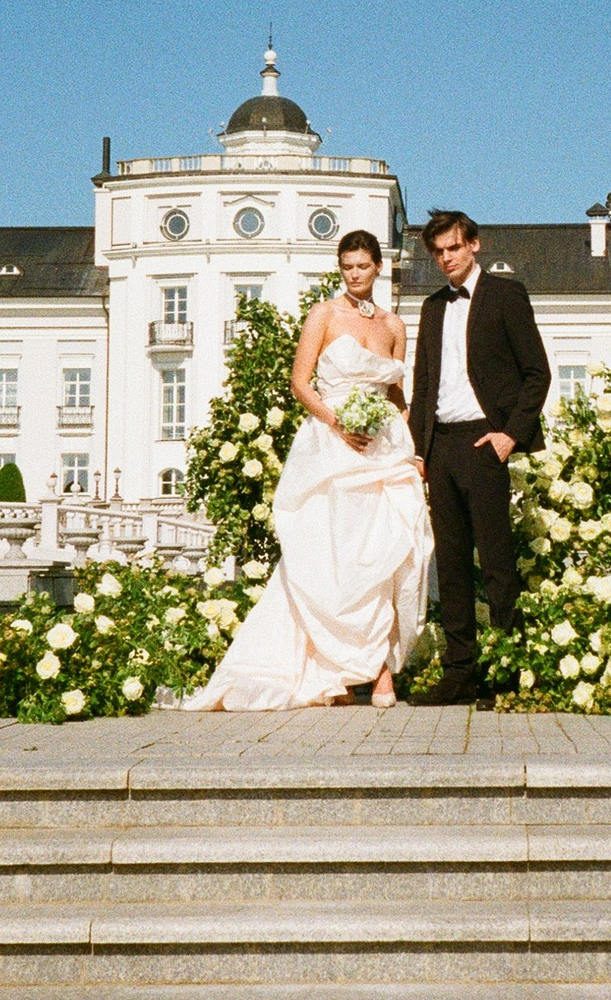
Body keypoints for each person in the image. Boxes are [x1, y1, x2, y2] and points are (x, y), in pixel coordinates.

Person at [184, 229, 434, 710]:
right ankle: (336, 669)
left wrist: (408, 442)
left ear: (378, 267)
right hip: (332, 444)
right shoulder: (323, 314)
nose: (354, 275)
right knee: (333, 557)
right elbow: (301, 383)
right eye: (346, 267)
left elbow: (399, 394)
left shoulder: (395, 326)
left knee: (390, 553)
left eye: (362, 266)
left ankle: (381, 669)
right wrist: (340, 423)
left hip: (383, 447)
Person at [405, 208, 550, 707]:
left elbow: (537, 374)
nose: (446, 258)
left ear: (474, 245)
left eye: (453, 248)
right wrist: (418, 451)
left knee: (496, 562)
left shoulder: (506, 296)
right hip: (440, 446)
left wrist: (510, 435)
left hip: (484, 443)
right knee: (450, 565)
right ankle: (459, 672)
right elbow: (424, 384)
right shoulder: (430, 307)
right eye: (438, 252)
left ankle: (507, 671)